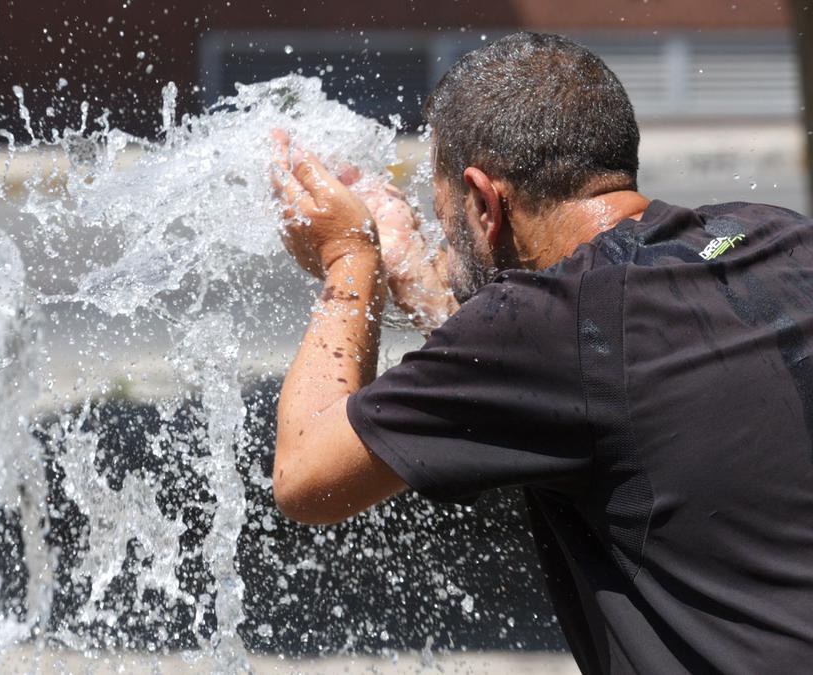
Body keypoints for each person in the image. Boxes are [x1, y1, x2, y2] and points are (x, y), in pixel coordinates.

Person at [269, 31, 813, 674]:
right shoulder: (775, 236)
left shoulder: (550, 329)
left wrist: (348, 260)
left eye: (447, 218)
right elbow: (567, 358)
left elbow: (306, 475)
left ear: (484, 202)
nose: (445, 237)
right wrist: (418, 282)